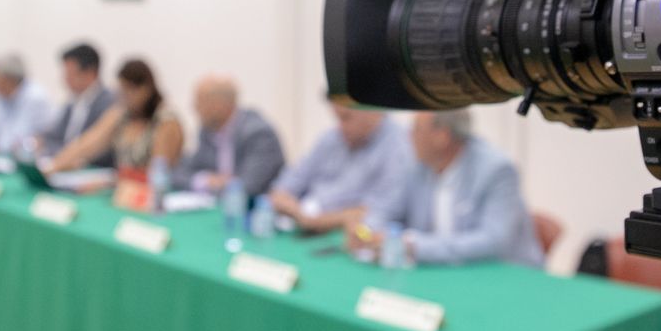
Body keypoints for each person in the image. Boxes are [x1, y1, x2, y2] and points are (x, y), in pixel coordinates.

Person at [347, 110, 544, 268]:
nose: (408, 136)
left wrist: (414, 245)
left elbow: (493, 241)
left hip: (501, 276)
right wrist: (366, 230)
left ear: (441, 137)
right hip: (442, 273)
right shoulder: (415, 165)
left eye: (416, 129)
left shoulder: (496, 170)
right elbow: (385, 209)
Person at [270, 101, 411, 233]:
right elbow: (285, 185)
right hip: (302, 223)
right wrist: (290, 206)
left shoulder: (399, 148)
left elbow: (379, 212)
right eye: (337, 118)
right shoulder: (331, 138)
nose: (340, 126)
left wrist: (319, 221)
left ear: (372, 112)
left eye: (346, 117)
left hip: (346, 235)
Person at [43, 59, 183, 184]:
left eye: (129, 91)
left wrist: (112, 181)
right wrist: (53, 166)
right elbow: (85, 145)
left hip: (150, 194)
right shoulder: (121, 114)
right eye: (121, 91)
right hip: (123, 190)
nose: (125, 97)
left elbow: (157, 174)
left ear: (145, 89)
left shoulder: (166, 122)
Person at [175, 76, 285, 199]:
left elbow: (249, 188)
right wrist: (206, 181)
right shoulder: (207, 132)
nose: (195, 108)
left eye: (200, 102)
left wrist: (221, 185)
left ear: (220, 105)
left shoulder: (258, 134)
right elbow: (179, 173)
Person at [41, 43, 117, 155]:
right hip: (64, 163)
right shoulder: (72, 102)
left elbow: (99, 149)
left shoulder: (110, 104)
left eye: (70, 74)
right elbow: (53, 136)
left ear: (89, 73)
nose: (65, 79)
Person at [0, 54, 56, 158]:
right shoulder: (3, 96)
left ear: (8, 79)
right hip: (5, 157)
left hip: (31, 159)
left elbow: (17, 140)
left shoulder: (34, 97)